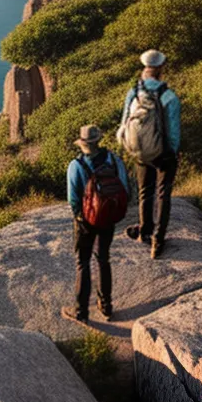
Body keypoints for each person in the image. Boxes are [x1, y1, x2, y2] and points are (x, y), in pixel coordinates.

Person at [61, 125, 129, 324]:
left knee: (83, 262)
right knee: (103, 259)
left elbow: (73, 199)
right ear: (98, 141)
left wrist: (80, 218)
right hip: (108, 218)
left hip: (86, 221)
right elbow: (125, 189)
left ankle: (81, 312)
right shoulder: (114, 160)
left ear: (82, 144)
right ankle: (106, 306)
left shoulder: (76, 166)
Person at [121, 49, 181, 258]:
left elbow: (124, 123)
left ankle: (144, 231)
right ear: (161, 68)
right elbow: (174, 132)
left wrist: (131, 148)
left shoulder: (133, 93)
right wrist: (173, 152)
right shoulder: (169, 96)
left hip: (140, 151)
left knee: (145, 191)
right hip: (163, 153)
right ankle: (158, 239)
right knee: (163, 194)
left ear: (144, 68)